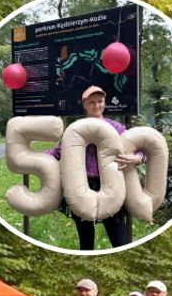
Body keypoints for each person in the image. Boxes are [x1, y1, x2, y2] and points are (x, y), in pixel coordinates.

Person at [45, 85, 145, 249]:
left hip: (111, 186)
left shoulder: (116, 128)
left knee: (120, 240)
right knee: (85, 240)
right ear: (84, 104)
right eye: (92, 102)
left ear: (104, 102)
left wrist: (137, 158)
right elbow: (58, 152)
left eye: (100, 101)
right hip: (81, 186)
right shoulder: (76, 130)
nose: (97, 106)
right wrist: (34, 159)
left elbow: (141, 148)